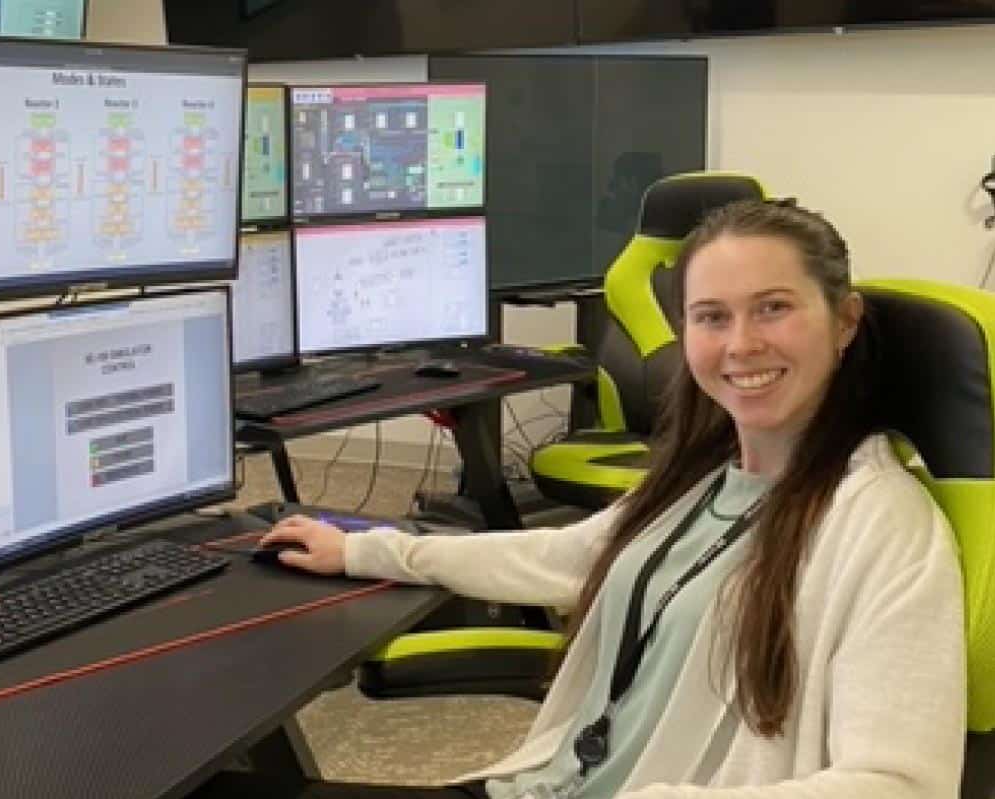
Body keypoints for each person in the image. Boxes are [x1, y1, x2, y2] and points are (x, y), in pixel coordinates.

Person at [193, 200, 966, 799]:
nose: (739, 345)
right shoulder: (698, 480)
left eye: (773, 308)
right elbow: (560, 553)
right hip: (542, 778)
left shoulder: (882, 522)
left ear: (843, 321)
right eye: (711, 317)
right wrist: (366, 547)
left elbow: (901, 783)